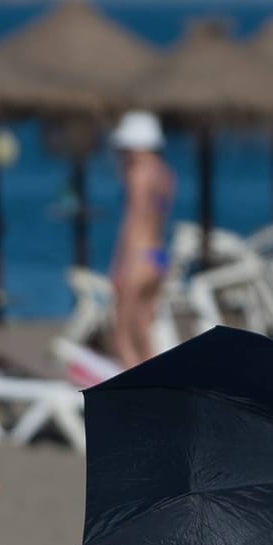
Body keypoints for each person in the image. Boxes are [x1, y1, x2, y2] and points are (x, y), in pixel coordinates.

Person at [110, 111, 175, 369]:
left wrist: (118, 264)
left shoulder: (138, 173)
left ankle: (137, 395)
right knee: (145, 335)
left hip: (138, 256)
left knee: (122, 337)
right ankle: (157, 389)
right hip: (158, 256)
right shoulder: (165, 174)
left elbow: (134, 219)